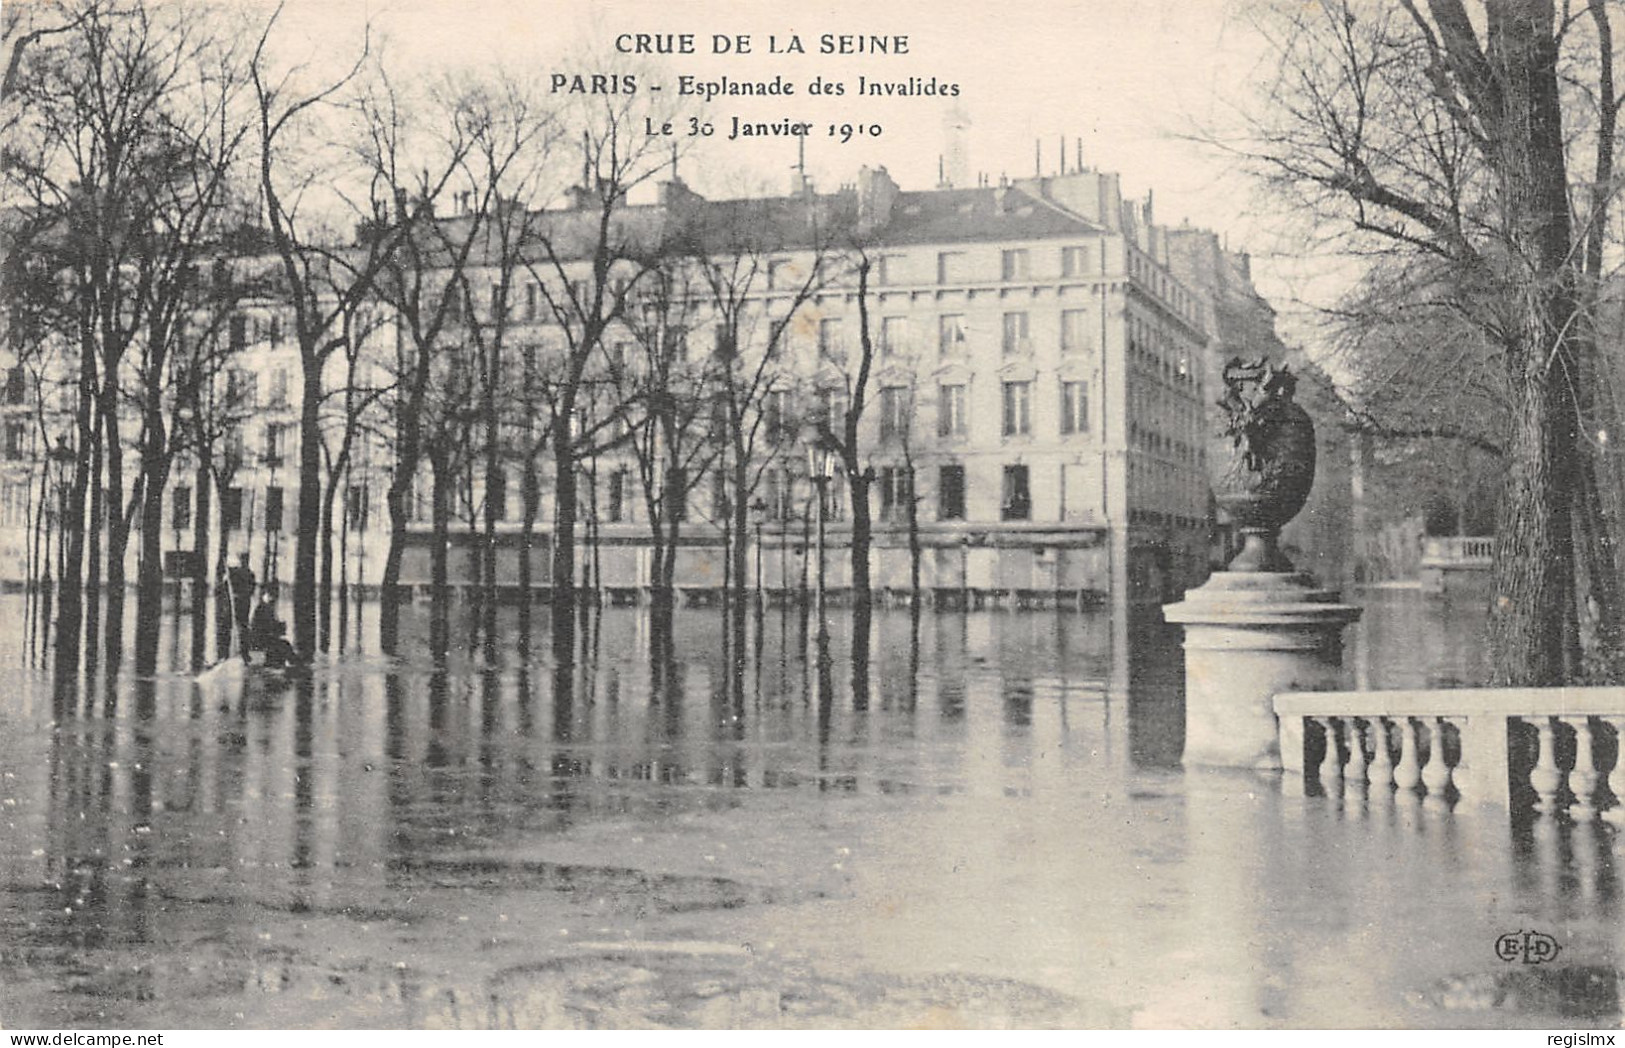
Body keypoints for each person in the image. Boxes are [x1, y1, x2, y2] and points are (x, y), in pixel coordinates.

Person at [249, 592, 300, 669]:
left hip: (264, 638)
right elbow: (266, 626)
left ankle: (287, 662)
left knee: (283, 645)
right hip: (263, 638)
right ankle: (292, 663)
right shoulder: (264, 609)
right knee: (284, 645)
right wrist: (280, 627)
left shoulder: (265, 607)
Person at [227, 553, 256, 652]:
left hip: (240, 600)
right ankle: (243, 646)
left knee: (239, 622)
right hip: (245, 600)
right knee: (243, 622)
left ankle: (240, 646)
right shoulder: (250, 573)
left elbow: (231, 577)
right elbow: (252, 588)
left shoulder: (239, 572)